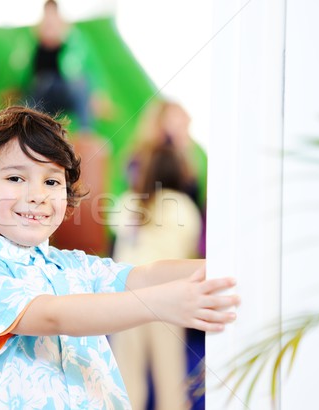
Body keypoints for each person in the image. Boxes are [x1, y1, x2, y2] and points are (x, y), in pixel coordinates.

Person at [0, 105, 238, 408]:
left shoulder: (71, 265)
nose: (37, 195)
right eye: (16, 178)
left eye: (51, 181)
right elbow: (53, 315)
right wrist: (160, 303)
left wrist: (230, 268)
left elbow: (144, 275)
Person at [110, 144, 203, 410]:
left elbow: (116, 232)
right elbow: (188, 251)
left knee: (126, 380)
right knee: (170, 379)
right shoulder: (184, 208)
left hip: (126, 297)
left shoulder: (128, 202)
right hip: (169, 298)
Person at [23, 0, 99, 133]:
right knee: (42, 83)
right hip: (43, 90)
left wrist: (96, 94)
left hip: (64, 88)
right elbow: (23, 70)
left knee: (80, 83)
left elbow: (86, 68)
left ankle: (85, 132)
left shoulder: (72, 37)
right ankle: (25, 128)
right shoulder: (33, 39)